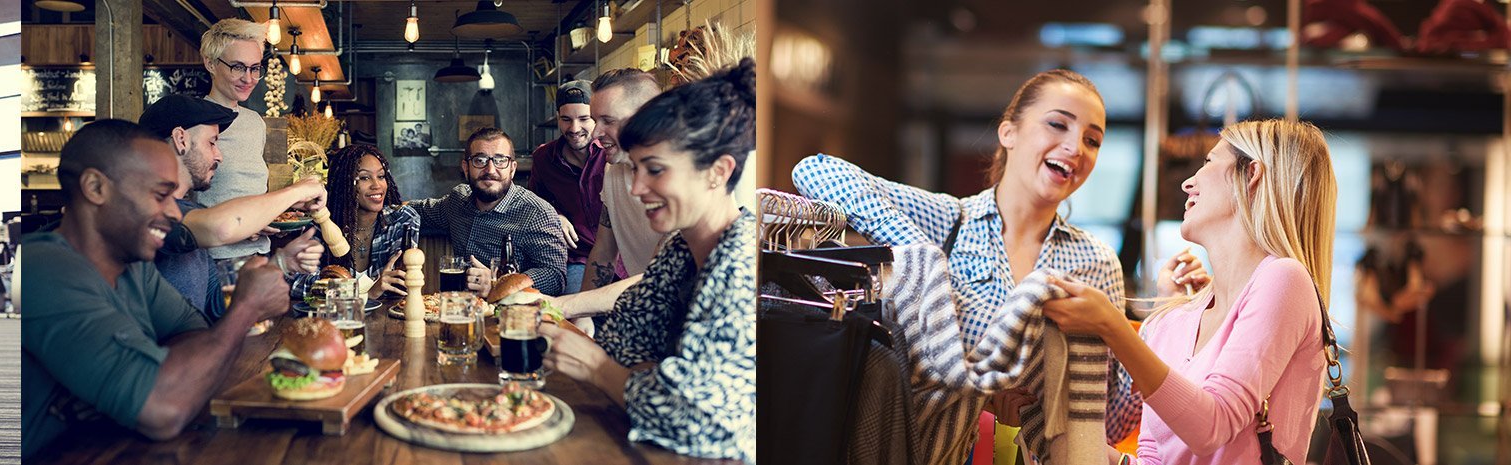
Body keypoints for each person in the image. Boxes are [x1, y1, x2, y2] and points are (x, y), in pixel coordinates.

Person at [790, 68, 1142, 461]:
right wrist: (931, 268)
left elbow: (1108, 424)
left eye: (1092, 140)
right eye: (1058, 124)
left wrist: (1171, 320)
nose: (1075, 147)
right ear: (1008, 132)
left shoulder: (1095, 262)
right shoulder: (948, 220)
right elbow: (816, 171)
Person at [1043, 119, 1337, 462]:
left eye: (1209, 162)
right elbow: (1155, 458)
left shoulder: (1285, 279)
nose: (1187, 183)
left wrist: (1112, 327)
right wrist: (1064, 443)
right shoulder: (1171, 319)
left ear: (1251, 174)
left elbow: (1212, 426)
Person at [21, 119, 291, 460]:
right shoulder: (43, 268)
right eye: (161, 195)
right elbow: (163, 409)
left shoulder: (134, 267)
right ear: (96, 187)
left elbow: (199, 340)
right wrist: (246, 308)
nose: (175, 214)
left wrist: (138, 382)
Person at [532, 59, 759, 461]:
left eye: (654, 170)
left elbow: (695, 419)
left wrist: (597, 368)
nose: (637, 188)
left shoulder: (741, 262)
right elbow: (624, 343)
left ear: (718, 172)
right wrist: (642, 380)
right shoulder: (679, 250)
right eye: (636, 169)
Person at [139, 94, 325, 322]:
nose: (219, 155)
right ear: (181, 139)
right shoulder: (150, 210)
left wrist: (282, 263)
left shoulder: (188, 210)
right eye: (212, 142)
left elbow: (217, 305)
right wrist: (298, 190)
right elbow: (221, 227)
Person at [408, 128, 570, 296]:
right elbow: (415, 211)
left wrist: (499, 283)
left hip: (513, 315)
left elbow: (555, 277)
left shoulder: (537, 213)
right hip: (459, 309)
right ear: (466, 167)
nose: (490, 170)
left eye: (500, 160)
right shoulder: (457, 201)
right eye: (480, 160)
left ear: (512, 169)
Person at [289, 144, 422, 301]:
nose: (377, 185)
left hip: (385, 318)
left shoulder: (402, 220)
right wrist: (366, 292)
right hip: (333, 318)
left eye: (381, 176)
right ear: (343, 183)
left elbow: (400, 286)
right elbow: (297, 284)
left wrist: (339, 288)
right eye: (365, 178)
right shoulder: (320, 225)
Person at [194, 19, 275, 265]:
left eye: (255, 68)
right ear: (210, 63)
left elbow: (251, 189)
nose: (248, 78)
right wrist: (238, 226)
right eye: (238, 67)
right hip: (215, 262)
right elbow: (177, 204)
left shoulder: (255, 123)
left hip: (260, 257)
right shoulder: (192, 121)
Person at [583, 68, 669, 291]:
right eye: (595, 120)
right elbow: (603, 251)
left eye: (608, 121)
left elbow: (662, 275)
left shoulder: (678, 177)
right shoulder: (614, 171)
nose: (595, 133)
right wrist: (581, 317)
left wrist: (568, 305)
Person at [526, 81, 606, 293]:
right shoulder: (544, 158)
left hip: (622, 256)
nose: (574, 128)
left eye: (583, 119)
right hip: (577, 259)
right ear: (558, 118)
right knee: (571, 315)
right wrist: (554, 216)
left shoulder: (612, 153)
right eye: (566, 120)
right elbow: (534, 204)